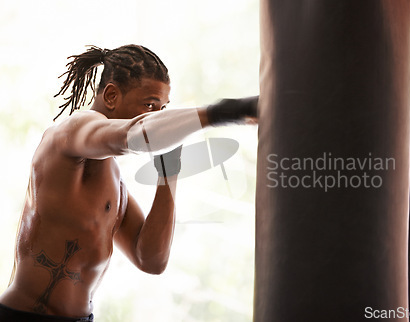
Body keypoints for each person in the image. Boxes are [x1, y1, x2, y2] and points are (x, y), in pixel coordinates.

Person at [0, 44, 258, 321]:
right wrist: (226, 112)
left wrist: (167, 172)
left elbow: (151, 260)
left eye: (163, 109)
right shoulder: (73, 130)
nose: (157, 116)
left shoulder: (114, 178)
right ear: (111, 95)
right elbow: (135, 135)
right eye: (149, 105)